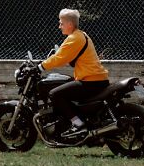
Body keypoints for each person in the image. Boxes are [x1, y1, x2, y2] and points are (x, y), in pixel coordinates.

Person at [38, 8, 109, 136]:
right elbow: (68, 56)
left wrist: (40, 67)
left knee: (55, 94)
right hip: (98, 80)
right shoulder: (82, 35)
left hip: (90, 82)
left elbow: (59, 58)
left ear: (70, 24)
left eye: (61, 23)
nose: (59, 26)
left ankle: (78, 124)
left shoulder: (74, 38)